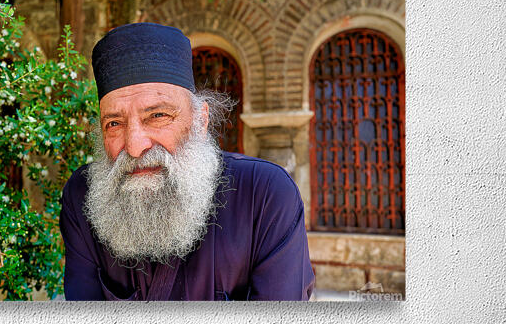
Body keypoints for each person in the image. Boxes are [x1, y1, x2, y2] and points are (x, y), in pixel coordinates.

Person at [59, 21, 315, 301]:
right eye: (115, 123)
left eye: (157, 116)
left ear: (200, 120)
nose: (134, 147)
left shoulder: (265, 195)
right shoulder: (82, 197)